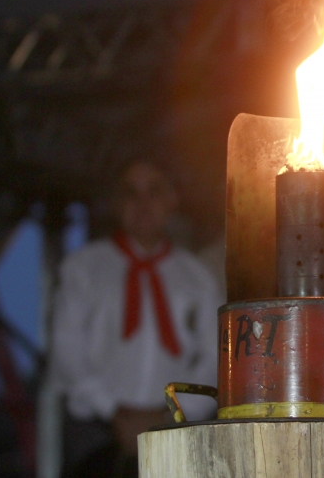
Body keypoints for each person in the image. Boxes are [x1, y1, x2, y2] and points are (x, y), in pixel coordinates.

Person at [51, 159, 221, 478]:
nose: (143, 204)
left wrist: (169, 414)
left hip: (176, 430)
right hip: (98, 433)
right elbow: (66, 348)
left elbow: (214, 357)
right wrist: (114, 413)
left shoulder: (197, 277)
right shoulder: (84, 267)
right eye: (130, 193)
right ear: (116, 203)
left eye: (154, 191)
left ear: (173, 200)